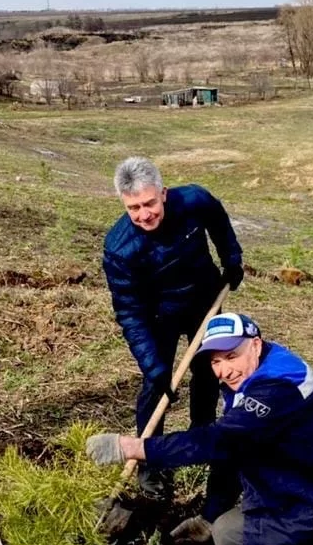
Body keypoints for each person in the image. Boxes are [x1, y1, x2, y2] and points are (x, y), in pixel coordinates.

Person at [86, 313, 313, 545]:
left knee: (228, 537)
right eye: (215, 361)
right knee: (223, 519)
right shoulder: (257, 371)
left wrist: (134, 447)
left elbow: (220, 441)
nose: (224, 370)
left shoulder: (275, 387)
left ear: (256, 345)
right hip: (306, 482)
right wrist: (209, 515)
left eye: (231, 356)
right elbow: (233, 450)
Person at [103, 156, 244, 499]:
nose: (144, 214)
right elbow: (129, 312)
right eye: (133, 208)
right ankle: (150, 462)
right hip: (156, 315)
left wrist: (232, 257)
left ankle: (201, 433)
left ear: (163, 193)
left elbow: (218, 220)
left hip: (203, 300)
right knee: (156, 385)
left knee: (209, 369)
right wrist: (153, 366)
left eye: (149, 203)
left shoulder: (194, 200)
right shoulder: (120, 248)